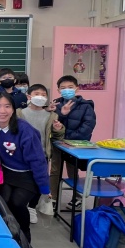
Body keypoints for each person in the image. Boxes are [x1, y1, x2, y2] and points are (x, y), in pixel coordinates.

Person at [0, 92, 49, 242]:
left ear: (13, 109)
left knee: (17, 202)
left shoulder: (24, 130)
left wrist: (44, 187)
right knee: (3, 201)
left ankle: (24, 236)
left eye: (7, 106)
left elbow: (38, 161)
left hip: (27, 174)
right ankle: (8, 235)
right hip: (6, 172)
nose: (2, 111)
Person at [17, 84, 65, 223]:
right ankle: (22, 206)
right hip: (21, 155)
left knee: (39, 181)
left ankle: (32, 207)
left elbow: (56, 137)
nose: (40, 97)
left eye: (43, 95)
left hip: (42, 154)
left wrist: (58, 129)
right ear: (29, 96)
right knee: (23, 181)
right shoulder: (20, 113)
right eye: (36, 94)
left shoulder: (52, 116)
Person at [49, 75, 96, 208]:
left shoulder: (86, 106)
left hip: (75, 145)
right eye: (63, 88)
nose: (67, 90)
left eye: (70, 87)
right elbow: (52, 122)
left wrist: (68, 138)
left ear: (77, 88)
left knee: (72, 170)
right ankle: (53, 198)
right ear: (58, 90)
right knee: (55, 170)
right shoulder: (56, 104)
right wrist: (61, 115)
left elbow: (88, 126)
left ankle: (77, 197)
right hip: (57, 143)